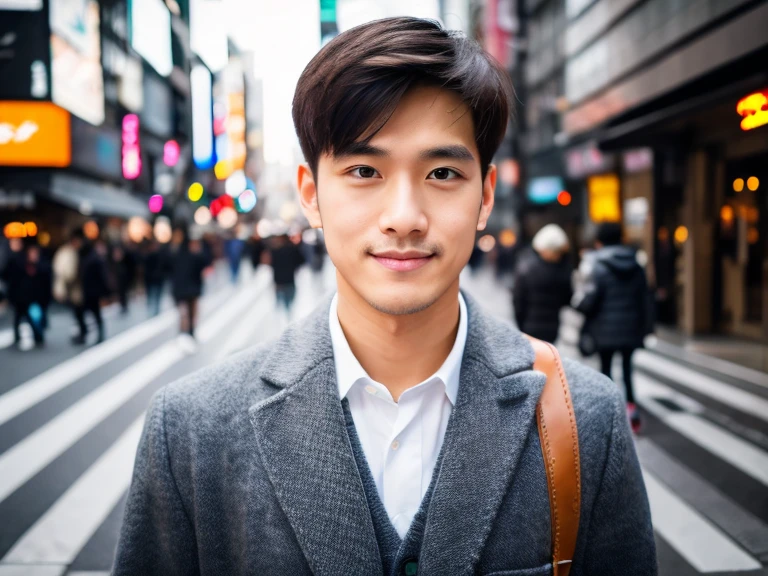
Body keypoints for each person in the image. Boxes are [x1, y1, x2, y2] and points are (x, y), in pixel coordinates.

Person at [115, 18, 656, 575]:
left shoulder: (584, 419)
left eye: (443, 172)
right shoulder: (192, 429)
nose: (403, 218)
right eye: (364, 170)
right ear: (311, 194)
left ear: (485, 195)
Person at [573, 223, 650, 433]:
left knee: (605, 373)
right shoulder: (636, 264)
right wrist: (646, 328)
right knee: (627, 372)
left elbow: (591, 299)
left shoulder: (597, 265)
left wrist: (578, 305)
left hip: (604, 330)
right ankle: (632, 413)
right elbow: (645, 298)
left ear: (600, 241)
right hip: (630, 329)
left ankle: (609, 420)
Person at [513, 224, 572, 344]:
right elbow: (567, 298)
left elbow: (518, 301)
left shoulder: (526, 268)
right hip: (551, 328)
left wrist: (520, 325)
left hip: (529, 326)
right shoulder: (561, 271)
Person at [168, 227, 208, 340]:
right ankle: (188, 333)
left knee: (185, 313)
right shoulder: (192, 253)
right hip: (190, 289)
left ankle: (185, 333)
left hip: (182, 289)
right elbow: (203, 264)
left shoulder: (174, 252)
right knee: (188, 313)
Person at [53, 230, 85, 344]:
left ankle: (81, 332)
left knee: (78, 313)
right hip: (73, 288)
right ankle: (81, 333)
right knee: (77, 312)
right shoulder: (68, 253)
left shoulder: (72, 252)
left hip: (76, 288)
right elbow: (66, 273)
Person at [75, 238, 109, 344]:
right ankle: (88, 333)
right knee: (88, 313)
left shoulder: (90, 259)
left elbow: (102, 276)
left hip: (91, 292)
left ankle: (93, 334)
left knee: (92, 313)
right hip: (89, 291)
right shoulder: (89, 258)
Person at [268, 233, 305, 317]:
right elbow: (301, 260)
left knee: (280, 302)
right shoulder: (292, 249)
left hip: (279, 281)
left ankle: (281, 316)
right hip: (289, 279)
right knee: (288, 301)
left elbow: (270, 263)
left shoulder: (274, 251)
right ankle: (287, 313)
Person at [142, 240, 166, 317]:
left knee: (157, 295)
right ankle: (151, 310)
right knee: (151, 295)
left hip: (158, 279)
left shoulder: (161, 256)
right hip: (151, 280)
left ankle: (156, 310)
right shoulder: (148, 256)